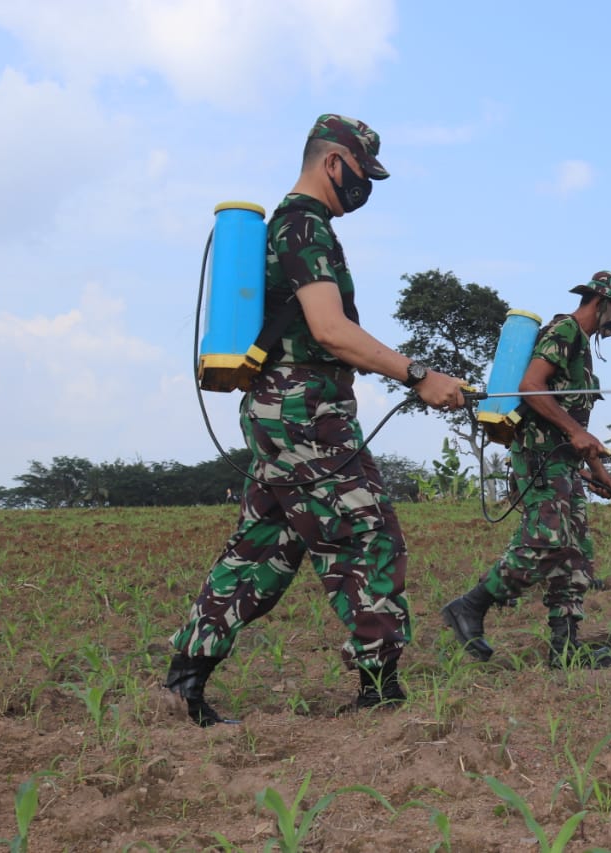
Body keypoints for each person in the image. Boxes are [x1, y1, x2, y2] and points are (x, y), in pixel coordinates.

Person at [165, 115, 468, 726]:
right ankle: (381, 696)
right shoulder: (305, 227)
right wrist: (418, 375)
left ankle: (185, 682)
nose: (366, 187)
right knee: (368, 536)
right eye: (363, 173)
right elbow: (331, 331)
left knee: (262, 548)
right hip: (306, 412)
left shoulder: (297, 226)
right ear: (335, 163)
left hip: (283, 410)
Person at [441, 271, 611, 668]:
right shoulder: (565, 330)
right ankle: (469, 606)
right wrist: (575, 433)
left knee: (574, 555)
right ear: (598, 301)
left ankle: (565, 648)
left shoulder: (582, 346)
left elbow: (569, 419)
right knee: (546, 540)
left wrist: (594, 467)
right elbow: (532, 386)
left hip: (563, 463)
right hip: (539, 461)